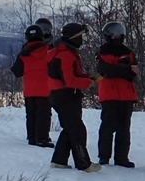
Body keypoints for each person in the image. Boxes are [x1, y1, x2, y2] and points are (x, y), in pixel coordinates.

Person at [48, 22, 101, 172]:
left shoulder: (66, 52)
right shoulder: (65, 55)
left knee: (70, 128)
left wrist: (87, 77)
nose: (83, 40)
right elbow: (69, 80)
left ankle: (59, 161)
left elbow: (70, 76)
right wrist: (87, 82)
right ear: (74, 38)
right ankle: (84, 164)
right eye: (81, 36)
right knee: (77, 129)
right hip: (65, 95)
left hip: (65, 94)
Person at [95, 21, 138, 167]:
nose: (117, 37)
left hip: (127, 95)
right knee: (107, 126)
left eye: (120, 34)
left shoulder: (129, 52)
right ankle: (104, 156)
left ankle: (122, 158)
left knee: (124, 128)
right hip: (109, 94)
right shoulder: (102, 52)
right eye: (114, 34)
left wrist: (117, 69)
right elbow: (105, 71)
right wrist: (124, 69)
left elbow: (133, 72)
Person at [11, 24, 54, 147]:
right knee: (44, 114)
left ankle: (32, 138)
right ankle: (42, 138)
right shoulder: (48, 51)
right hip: (45, 88)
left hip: (29, 89)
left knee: (31, 114)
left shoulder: (24, 53)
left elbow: (17, 71)